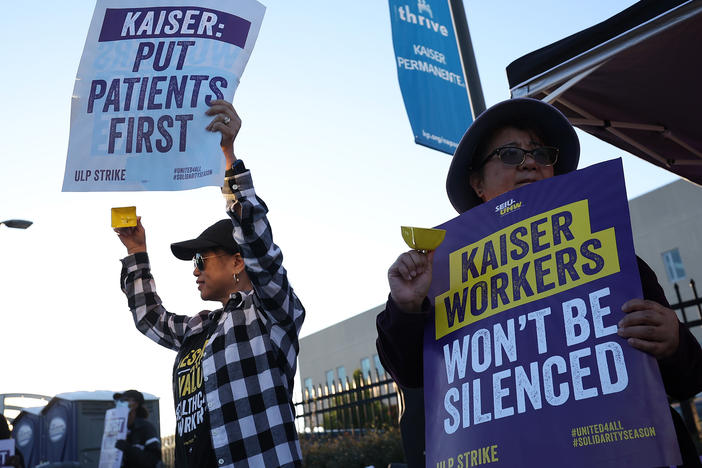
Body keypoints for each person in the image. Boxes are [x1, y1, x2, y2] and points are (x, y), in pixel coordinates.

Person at [376, 98, 702, 467]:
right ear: (477, 183)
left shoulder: (610, 254)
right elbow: (411, 373)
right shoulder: (444, 278)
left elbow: (686, 381)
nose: (531, 162)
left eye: (542, 153)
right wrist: (405, 306)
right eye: (510, 153)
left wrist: (673, 342)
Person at [115, 100, 305, 467]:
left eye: (201, 259)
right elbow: (150, 318)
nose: (195, 270)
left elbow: (261, 251)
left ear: (237, 261)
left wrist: (228, 157)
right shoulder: (201, 326)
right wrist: (136, 250)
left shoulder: (272, 314)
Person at [113, 390, 161, 468]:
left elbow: (153, 461)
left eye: (124, 400)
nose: (120, 404)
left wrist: (127, 448)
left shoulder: (146, 428)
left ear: (135, 404)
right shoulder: (121, 429)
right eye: (119, 401)